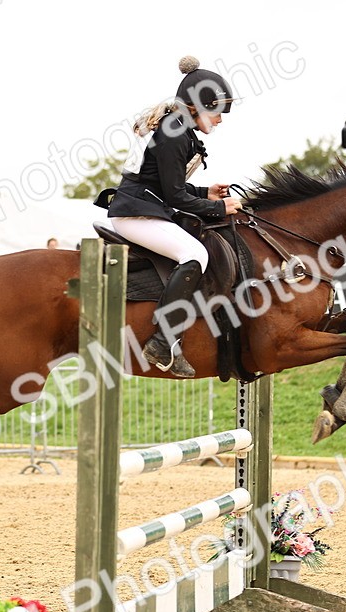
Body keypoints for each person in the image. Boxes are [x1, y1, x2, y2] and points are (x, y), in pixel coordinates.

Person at [102, 56, 242, 377]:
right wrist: (220, 208)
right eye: (217, 112)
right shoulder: (175, 133)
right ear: (197, 106)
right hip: (136, 214)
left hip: (146, 207)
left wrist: (206, 192)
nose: (220, 120)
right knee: (196, 254)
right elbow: (175, 196)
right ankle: (163, 341)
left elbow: (171, 187)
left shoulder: (178, 128)